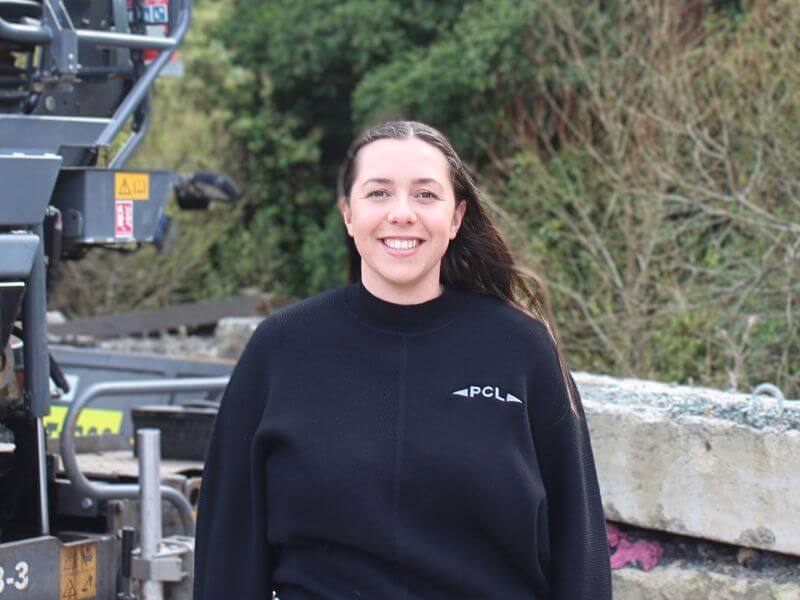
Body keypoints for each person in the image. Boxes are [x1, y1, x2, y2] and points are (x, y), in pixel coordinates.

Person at [193, 120, 612, 599]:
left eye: (425, 195)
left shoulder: (521, 349)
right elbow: (227, 551)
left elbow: (580, 548)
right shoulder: (281, 347)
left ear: (456, 218)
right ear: (348, 214)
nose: (401, 214)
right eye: (378, 193)